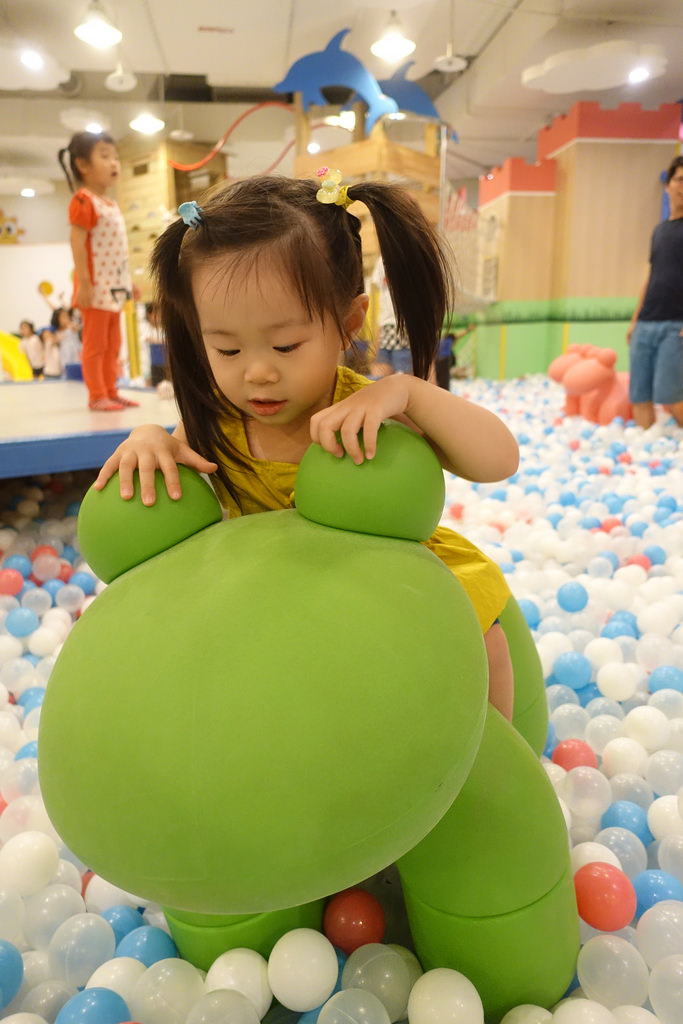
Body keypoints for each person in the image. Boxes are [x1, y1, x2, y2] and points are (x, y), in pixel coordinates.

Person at [94, 174, 520, 720]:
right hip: (269, 596)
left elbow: (499, 459)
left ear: (348, 323)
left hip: (380, 586)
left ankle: (493, 755)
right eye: (225, 349)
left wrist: (408, 392)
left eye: (285, 344)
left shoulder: (366, 411)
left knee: (483, 634)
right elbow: (174, 459)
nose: (258, 372)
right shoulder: (215, 426)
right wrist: (148, 437)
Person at [58, 131, 138, 411]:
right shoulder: (83, 200)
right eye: (105, 156)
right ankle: (96, 395)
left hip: (115, 288)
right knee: (95, 345)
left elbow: (119, 251)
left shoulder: (111, 204)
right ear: (83, 165)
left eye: (115, 157)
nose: (114, 163)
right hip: (95, 288)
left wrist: (130, 283)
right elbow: (77, 243)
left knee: (114, 343)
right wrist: (84, 284)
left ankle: (111, 389)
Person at [627, 155, 683, 428]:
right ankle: (641, 454)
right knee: (639, 395)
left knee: (672, 396)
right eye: (679, 179)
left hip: (676, 324)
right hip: (646, 322)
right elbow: (651, 276)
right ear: (668, 185)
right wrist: (635, 320)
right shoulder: (659, 231)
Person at [369, 254, 413, 376]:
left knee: (405, 382)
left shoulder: (411, 259)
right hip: (385, 327)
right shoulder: (382, 261)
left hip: (405, 329)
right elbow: (378, 301)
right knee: (379, 380)